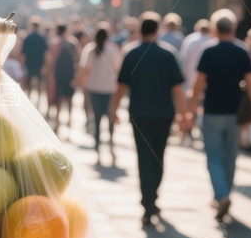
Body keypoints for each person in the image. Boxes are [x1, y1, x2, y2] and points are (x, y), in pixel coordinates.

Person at [110, 13, 188, 225]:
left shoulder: (132, 53)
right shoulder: (168, 54)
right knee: (158, 156)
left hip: (140, 114)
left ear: (140, 30)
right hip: (164, 115)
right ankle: (152, 197)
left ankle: (148, 200)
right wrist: (183, 114)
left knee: (143, 157)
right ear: (157, 30)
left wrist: (113, 109)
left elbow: (121, 86)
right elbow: (177, 89)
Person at [188, 9, 251, 222]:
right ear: (234, 28)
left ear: (215, 28)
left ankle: (221, 194)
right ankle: (224, 193)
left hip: (212, 111)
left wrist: (191, 110)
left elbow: (198, 84)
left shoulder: (208, 50)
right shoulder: (243, 51)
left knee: (214, 157)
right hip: (235, 112)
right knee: (230, 156)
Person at [79, 23, 120, 162]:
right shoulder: (113, 50)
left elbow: (85, 70)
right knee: (110, 119)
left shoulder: (90, 50)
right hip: (110, 89)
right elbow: (116, 69)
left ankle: (97, 149)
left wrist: (84, 87)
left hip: (94, 89)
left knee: (96, 120)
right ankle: (111, 144)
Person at [47, 23, 79, 131]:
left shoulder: (54, 43)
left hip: (58, 74)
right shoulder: (73, 42)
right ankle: (69, 120)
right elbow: (78, 58)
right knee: (70, 98)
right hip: (70, 73)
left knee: (59, 98)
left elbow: (51, 60)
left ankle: (57, 121)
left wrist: (50, 74)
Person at [21, 18, 49, 107]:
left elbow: (23, 54)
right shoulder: (42, 38)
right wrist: (45, 65)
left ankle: (29, 100)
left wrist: (22, 65)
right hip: (39, 63)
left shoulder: (27, 38)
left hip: (29, 63)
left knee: (29, 83)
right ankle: (38, 102)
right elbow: (46, 53)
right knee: (39, 83)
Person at [180, 19, 211, 91]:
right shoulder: (211, 40)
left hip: (190, 71)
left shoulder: (190, 39)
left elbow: (184, 56)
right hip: (205, 74)